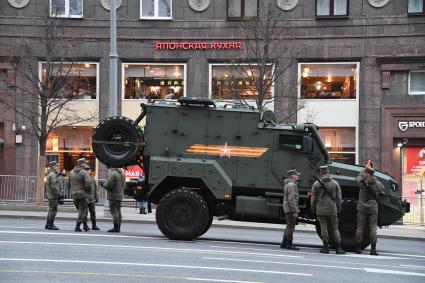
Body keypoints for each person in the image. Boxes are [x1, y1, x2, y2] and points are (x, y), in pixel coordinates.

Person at [311, 165, 345, 254]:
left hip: (320, 209)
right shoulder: (335, 183)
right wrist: (338, 207)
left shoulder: (316, 184)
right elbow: (339, 198)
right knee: (334, 229)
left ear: (321, 172)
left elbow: (313, 199)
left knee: (324, 228)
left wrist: (313, 209)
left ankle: (325, 248)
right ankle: (338, 248)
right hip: (332, 209)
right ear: (328, 171)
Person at [355, 166, 384, 255]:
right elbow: (382, 190)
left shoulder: (362, 182)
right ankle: (373, 249)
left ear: (366, 173)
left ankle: (358, 248)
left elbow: (358, 177)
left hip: (362, 207)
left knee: (360, 228)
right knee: (373, 229)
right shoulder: (378, 184)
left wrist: (363, 173)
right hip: (373, 208)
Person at [69, 158, 92, 232]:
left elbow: (68, 183)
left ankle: (85, 226)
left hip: (74, 194)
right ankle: (77, 226)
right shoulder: (84, 172)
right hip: (82, 194)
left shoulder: (71, 172)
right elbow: (88, 184)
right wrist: (88, 192)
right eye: (85, 163)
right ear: (82, 164)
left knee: (81, 210)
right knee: (82, 210)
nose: (86, 164)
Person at [281, 169, 300, 250]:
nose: (298, 176)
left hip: (287, 208)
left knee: (289, 225)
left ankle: (284, 243)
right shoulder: (292, 185)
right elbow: (291, 199)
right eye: (296, 175)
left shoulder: (288, 184)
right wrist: (294, 211)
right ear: (292, 176)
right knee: (291, 226)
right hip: (290, 209)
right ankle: (289, 244)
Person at [103, 167, 126, 232]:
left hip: (113, 195)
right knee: (119, 211)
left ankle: (116, 227)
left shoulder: (113, 174)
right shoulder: (122, 174)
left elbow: (109, 185)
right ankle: (118, 227)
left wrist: (103, 184)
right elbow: (123, 185)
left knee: (114, 211)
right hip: (120, 195)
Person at [45, 161, 60, 230]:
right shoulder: (53, 175)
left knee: (51, 209)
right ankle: (51, 224)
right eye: (57, 166)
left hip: (50, 195)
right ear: (53, 166)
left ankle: (48, 224)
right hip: (53, 195)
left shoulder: (49, 174)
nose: (58, 167)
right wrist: (58, 193)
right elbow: (54, 186)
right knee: (53, 210)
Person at [85, 166, 100, 230]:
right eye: (87, 170)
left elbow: (95, 188)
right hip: (85, 198)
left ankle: (94, 225)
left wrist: (96, 197)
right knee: (85, 213)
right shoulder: (83, 178)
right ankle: (85, 225)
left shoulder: (92, 177)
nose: (88, 171)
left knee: (93, 212)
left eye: (89, 170)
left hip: (92, 198)